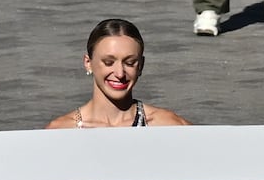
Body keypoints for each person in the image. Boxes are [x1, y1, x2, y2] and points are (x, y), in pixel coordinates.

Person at [48, 20, 188, 130]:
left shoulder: (168, 126)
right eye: (108, 62)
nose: (120, 73)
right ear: (88, 63)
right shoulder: (61, 131)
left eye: (130, 62)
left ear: (141, 65)